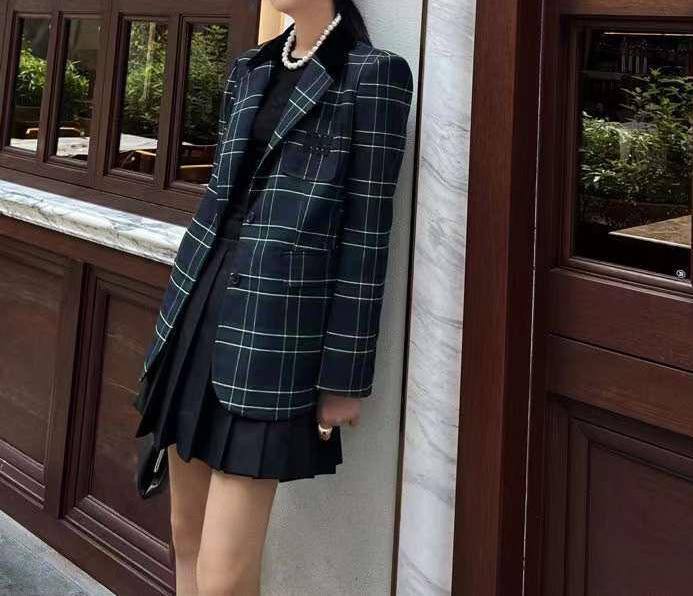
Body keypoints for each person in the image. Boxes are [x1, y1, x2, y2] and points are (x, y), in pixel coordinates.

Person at [132, 0, 414, 593]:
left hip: (277, 333)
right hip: (200, 303)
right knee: (185, 536)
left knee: (223, 575)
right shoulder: (251, 67)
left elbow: (367, 234)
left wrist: (343, 377)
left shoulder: (373, 73)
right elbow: (220, 193)